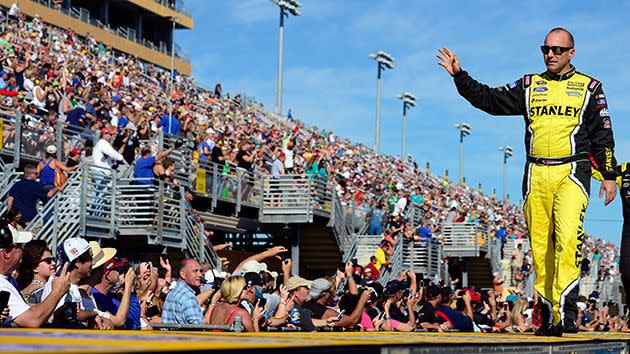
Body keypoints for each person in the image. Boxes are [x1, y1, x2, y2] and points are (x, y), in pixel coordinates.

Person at [437, 28, 617, 336]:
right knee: (540, 248)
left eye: (557, 50)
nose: (550, 54)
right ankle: (549, 314)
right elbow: (490, 100)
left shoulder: (590, 87)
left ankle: (566, 314)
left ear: (571, 53)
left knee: (567, 240)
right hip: (536, 174)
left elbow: (603, 134)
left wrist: (610, 175)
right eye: (545, 48)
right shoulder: (530, 85)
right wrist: (459, 75)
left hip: (572, 172)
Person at [0, 220, 71, 327]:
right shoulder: (1, 284)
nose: (22, 251)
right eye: (19, 246)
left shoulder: (8, 279)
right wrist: (58, 291)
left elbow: (22, 310)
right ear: (6, 253)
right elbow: (32, 321)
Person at [41, 237, 113, 329]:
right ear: (77, 262)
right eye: (90, 258)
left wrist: (101, 319)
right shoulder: (59, 283)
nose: (93, 262)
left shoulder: (71, 284)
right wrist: (94, 314)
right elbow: (64, 315)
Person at [162, 258, 204, 324]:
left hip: (170, 334)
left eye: (200, 271)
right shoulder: (188, 296)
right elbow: (197, 328)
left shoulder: (173, 291)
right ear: (183, 274)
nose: (200, 275)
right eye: (195, 271)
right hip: (182, 334)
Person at [16, 240, 56, 305]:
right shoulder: (43, 291)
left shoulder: (22, 290)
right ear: (34, 267)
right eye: (48, 261)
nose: (54, 263)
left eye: (53, 259)